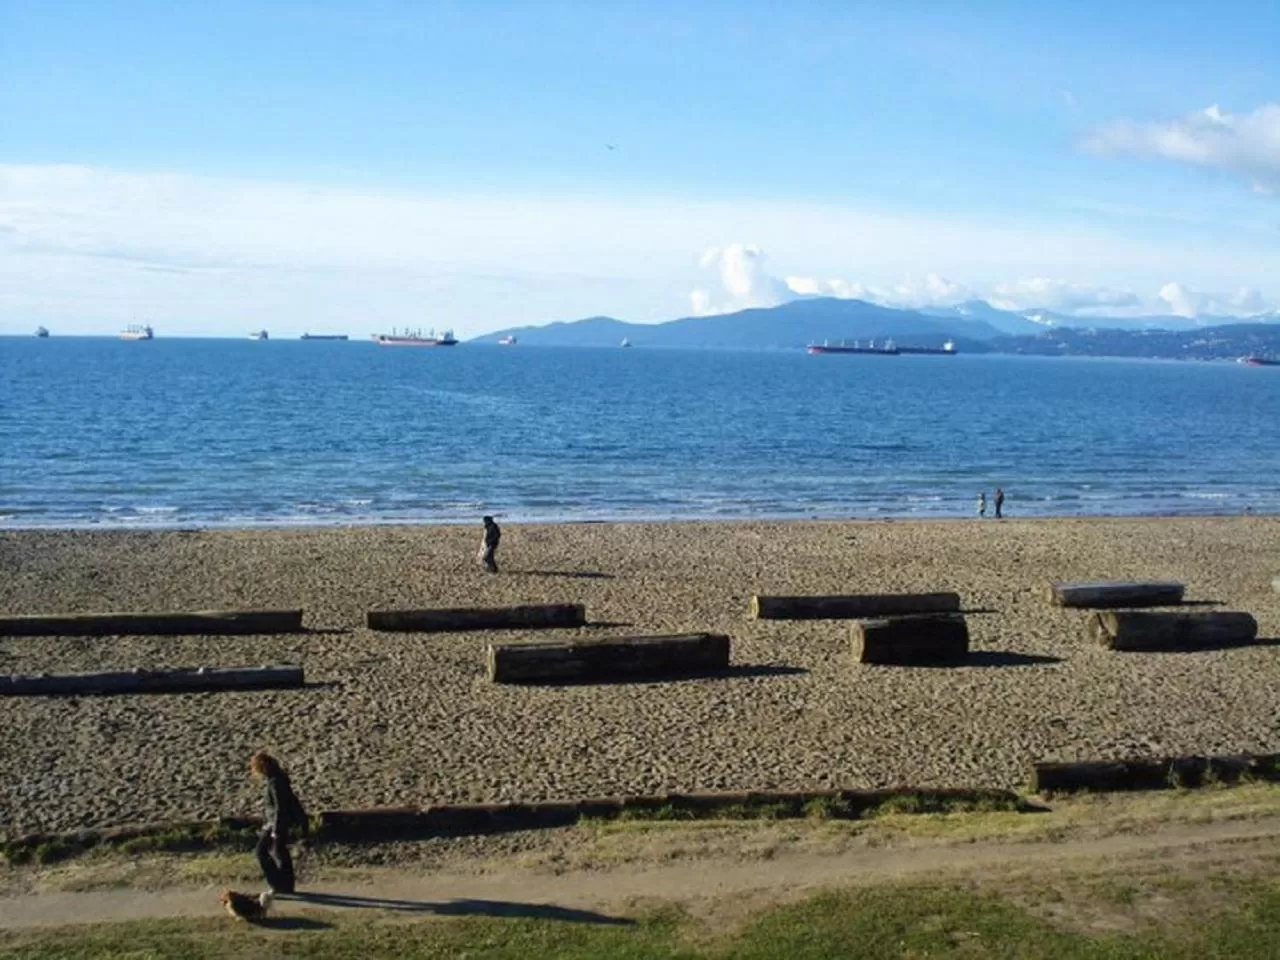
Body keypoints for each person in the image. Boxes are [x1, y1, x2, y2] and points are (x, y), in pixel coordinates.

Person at [250, 751, 308, 894]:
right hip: (278, 822)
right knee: (280, 852)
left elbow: (279, 806)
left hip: (277, 823)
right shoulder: (277, 778)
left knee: (261, 851)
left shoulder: (275, 782)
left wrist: (276, 829)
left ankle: (277, 884)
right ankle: (286, 885)